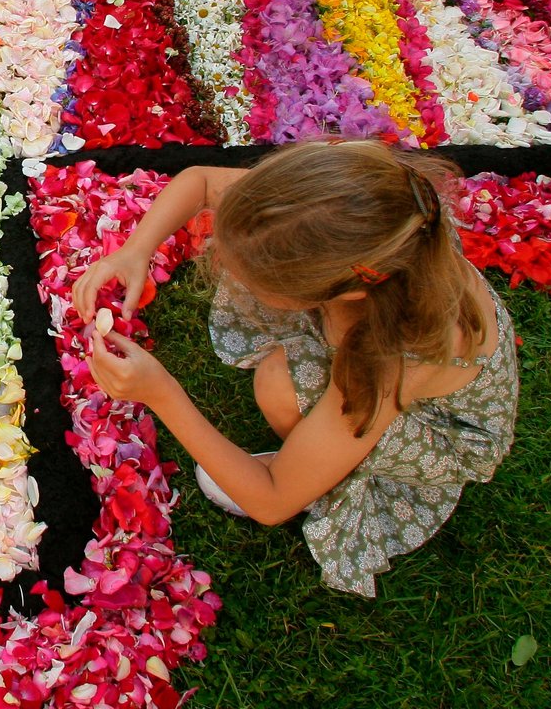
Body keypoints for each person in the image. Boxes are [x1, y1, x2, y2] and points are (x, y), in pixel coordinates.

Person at [70, 140, 519, 596]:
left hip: (426, 420)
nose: (224, 265)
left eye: (251, 277)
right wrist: (136, 249)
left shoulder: (387, 356)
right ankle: (318, 451)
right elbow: (201, 179)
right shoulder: (338, 208)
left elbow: (272, 502)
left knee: (277, 384)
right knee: (280, 372)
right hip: (371, 335)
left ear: (332, 292)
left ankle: (326, 470)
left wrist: (160, 392)